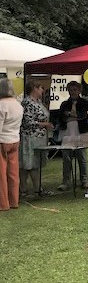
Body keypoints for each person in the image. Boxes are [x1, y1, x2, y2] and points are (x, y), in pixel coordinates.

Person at [57, 81, 88, 191]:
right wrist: (71, 115)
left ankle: (84, 180)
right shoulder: (64, 104)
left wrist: (72, 115)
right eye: (70, 90)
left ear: (79, 90)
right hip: (67, 132)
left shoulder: (85, 103)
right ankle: (66, 181)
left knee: (82, 157)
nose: (72, 92)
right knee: (66, 158)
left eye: (74, 90)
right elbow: (61, 117)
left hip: (82, 132)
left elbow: (83, 116)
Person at [19, 81, 54, 197]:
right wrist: (45, 124)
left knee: (36, 164)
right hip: (30, 137)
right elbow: (28, 122)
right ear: (34, 88)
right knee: (28, 164)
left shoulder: (38, 102)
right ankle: (29, 189)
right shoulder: (27, 102)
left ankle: (35, 189)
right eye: (41, 88)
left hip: (39, 137)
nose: (42, 90)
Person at [0, 78, 23, 211]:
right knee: (13, 173)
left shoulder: (1, 105)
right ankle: (14, 201)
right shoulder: (18, 104)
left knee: (1, 174)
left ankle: (3, 204)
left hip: (2, 141)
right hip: (15, 139)